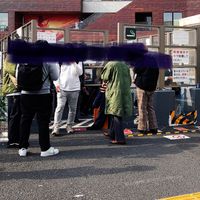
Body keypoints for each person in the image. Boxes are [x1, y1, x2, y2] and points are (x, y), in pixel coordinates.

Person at [17, 41, 60, 157]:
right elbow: (56, 76)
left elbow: (18, 76)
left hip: (25, 94)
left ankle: (22, 148)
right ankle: (45, 149)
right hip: (43, 94)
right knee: (43, 122)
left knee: (25, 120)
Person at [101, 61, 132, 145]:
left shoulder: (110, 64)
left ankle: (120, 138)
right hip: (125, 92)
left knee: (116, 114)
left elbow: (105, 77)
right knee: (115, 114)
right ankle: (112, 134)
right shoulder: (125, 65)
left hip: (115, 92)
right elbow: (130, 80)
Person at [51, 62, 83, 136]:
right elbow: (55, 73)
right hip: (62, 88)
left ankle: (69, 126)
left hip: (75, 88)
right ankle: (56, 127)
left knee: (72, 109)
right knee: (60, 107)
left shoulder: (78, 59)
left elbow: (80, 73)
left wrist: (74, 63)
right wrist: (56, 85)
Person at [134, 57, 159, 134]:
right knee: (150, 107)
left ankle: (142, 127)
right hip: (151, 88)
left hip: (142, 87)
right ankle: (153, 127)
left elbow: (136, 70)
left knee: (142, 107)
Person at [2, 54, 21, 148]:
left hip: (13, 91)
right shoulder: (11, 57)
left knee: (14, 116)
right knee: (14, 116)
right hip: (13, 91)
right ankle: (13, 140)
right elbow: (12, 71)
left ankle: (14, 138)